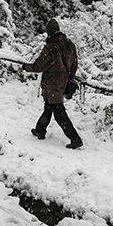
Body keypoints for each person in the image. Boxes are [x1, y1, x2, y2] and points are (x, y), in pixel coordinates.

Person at [24, 18, 84, 149]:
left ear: (49, 32)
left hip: (53, 83)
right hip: (63, 81)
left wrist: (26, 67)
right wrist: (69, 78)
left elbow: (39, 66)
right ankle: (40, 130)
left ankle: (75, 139)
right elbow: (75, 63)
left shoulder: (51, 47)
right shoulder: (69, 44)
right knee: (49, 106)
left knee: (58, 112)